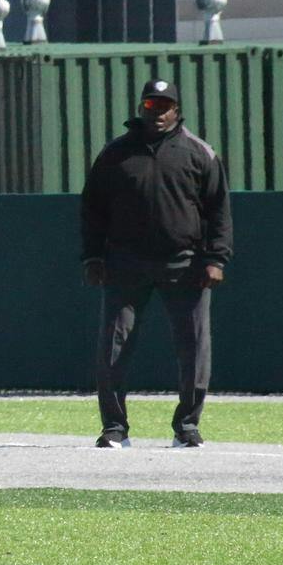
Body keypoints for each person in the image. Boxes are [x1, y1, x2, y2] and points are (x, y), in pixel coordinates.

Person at [81, 78, 231, 449]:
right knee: (113, 346)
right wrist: (93, 256)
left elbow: (218, 211)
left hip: (186, 263)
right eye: (151, 105)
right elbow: (92, 210)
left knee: (194, 346)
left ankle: (188, 426)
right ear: (140, 108)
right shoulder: (115, 154)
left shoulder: (199, 153)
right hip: (125, 263)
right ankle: (115, 427)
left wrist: (216, 258)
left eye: (165, 106)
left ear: (177, 110)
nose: (158, 112)